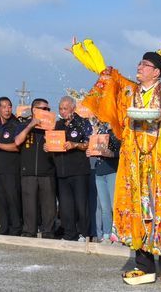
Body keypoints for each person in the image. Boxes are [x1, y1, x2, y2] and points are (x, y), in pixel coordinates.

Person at [70, 38, 161, 288]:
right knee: (138, 210)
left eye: (145, 64)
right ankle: (144, 266)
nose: (139, 67)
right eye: (139, 63)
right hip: (133, 163)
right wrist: (85, 53)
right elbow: (109, 77)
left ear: (156, 72)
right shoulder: (129, 91)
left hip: (160, 165)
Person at [51, 96, 92, 241]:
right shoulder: (57, 125)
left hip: (79, 171)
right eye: (60, 109)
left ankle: (84, 233)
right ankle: (69, 233)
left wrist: (75, 145)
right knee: (66, 206)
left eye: (65, 108)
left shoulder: (83, 123)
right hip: (62, 172)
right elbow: (52, 142)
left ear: (73, 108)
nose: (62, 111)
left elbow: (90, 143)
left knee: (81, 204)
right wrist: (48, 146)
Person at [14, 98, 57, 238]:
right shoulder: (23, 125)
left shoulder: (52, 127)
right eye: (44, 109)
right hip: (28, 172)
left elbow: (59, 145)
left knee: (49, 205)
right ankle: (29, 231)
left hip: (47, 171)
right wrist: (30, 125)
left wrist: (51, 148)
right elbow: (17, 141)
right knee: (29, 204)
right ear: (34, 110)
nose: (47, 112)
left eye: (48, 109)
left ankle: (48, 231)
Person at [0, 97, 22, 236]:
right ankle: (4, 227)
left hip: (10, 169)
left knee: (12, 199)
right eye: (4, 107)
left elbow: (17, 147)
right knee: (0, 200)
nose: (7, 109)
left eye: (9, 106)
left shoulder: (16, 125)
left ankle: (16, 228)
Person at [86, 118, 120, 243]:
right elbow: (96, 149)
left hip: (112, 171)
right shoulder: (99, 131)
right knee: (105, 208)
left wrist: (112, 154)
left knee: (113, 206)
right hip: (99, 172)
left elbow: (123, 152)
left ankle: (117, 234)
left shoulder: (118, 132)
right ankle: (106, 234)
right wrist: (90, 151)